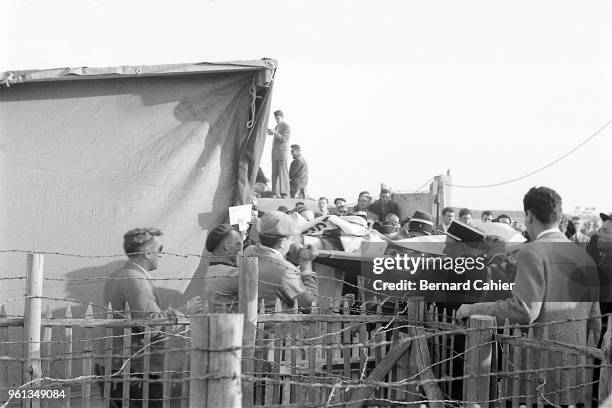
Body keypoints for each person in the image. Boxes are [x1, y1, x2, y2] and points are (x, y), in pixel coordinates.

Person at [457, 187, 601, 402]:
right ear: (559, 216)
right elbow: (595, 322)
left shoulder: (533, 251)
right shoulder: (584, 257)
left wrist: (473, 309)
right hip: (577, 376)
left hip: (537, 375)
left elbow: (524, 310)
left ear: (529, 215)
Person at [99, 228, 204, 408]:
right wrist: (185, 310)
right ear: (147, 253)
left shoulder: (118, 274)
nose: (161, 254)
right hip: (134, 370)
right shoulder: (135, 280)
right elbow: (153, 328)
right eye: (160, 248)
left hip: (115, 365)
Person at [244, 211, 319, 311]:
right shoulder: (285, 270)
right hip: (274, 325)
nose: (292, 242)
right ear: (283, 243)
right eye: (291, 239)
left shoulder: (248, 251)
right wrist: (306, 264)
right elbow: (310, 305)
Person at [183, 224, 243, 312]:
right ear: (227, 246)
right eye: (238, 244)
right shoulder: (229, 274)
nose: (240, 249)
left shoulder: (214, 270)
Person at [267, 110, 291, 197]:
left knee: (283, 173)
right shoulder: (277, 126)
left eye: (278, 118)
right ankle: (275, 192)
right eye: (275, 118)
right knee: (274, 173)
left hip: (282, 152)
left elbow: (284, 139)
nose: (276, 120)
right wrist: (270, 132)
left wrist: (274, 132)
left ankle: (285, 193)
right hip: (275, 151)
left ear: (282, 117)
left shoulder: (286, 126)